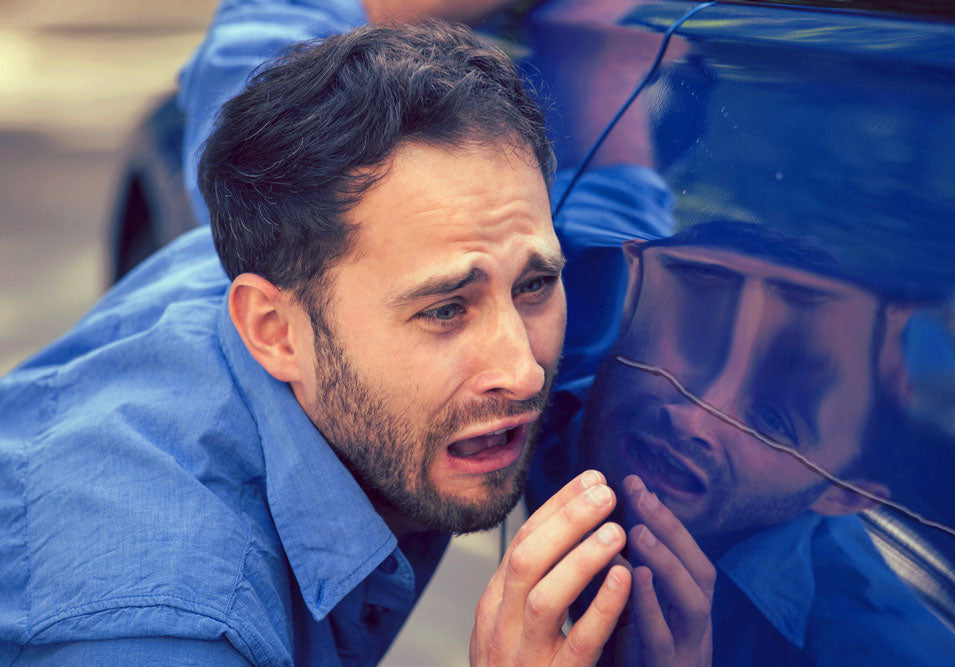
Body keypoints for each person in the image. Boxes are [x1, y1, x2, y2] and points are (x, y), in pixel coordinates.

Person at [0, 5, 636, 665]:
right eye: (446, 309)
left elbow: (277, 23)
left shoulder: (288, 234)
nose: (523, 369)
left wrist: (615, 66)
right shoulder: (167, 627)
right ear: (273, 330)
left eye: (534, 285)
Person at [528, 218, 955, 664]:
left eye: (773, 419)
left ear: (846, 493)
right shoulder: (498, 396)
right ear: (632, 301)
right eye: (695, 347)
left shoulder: (871, 651)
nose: (693, 418)